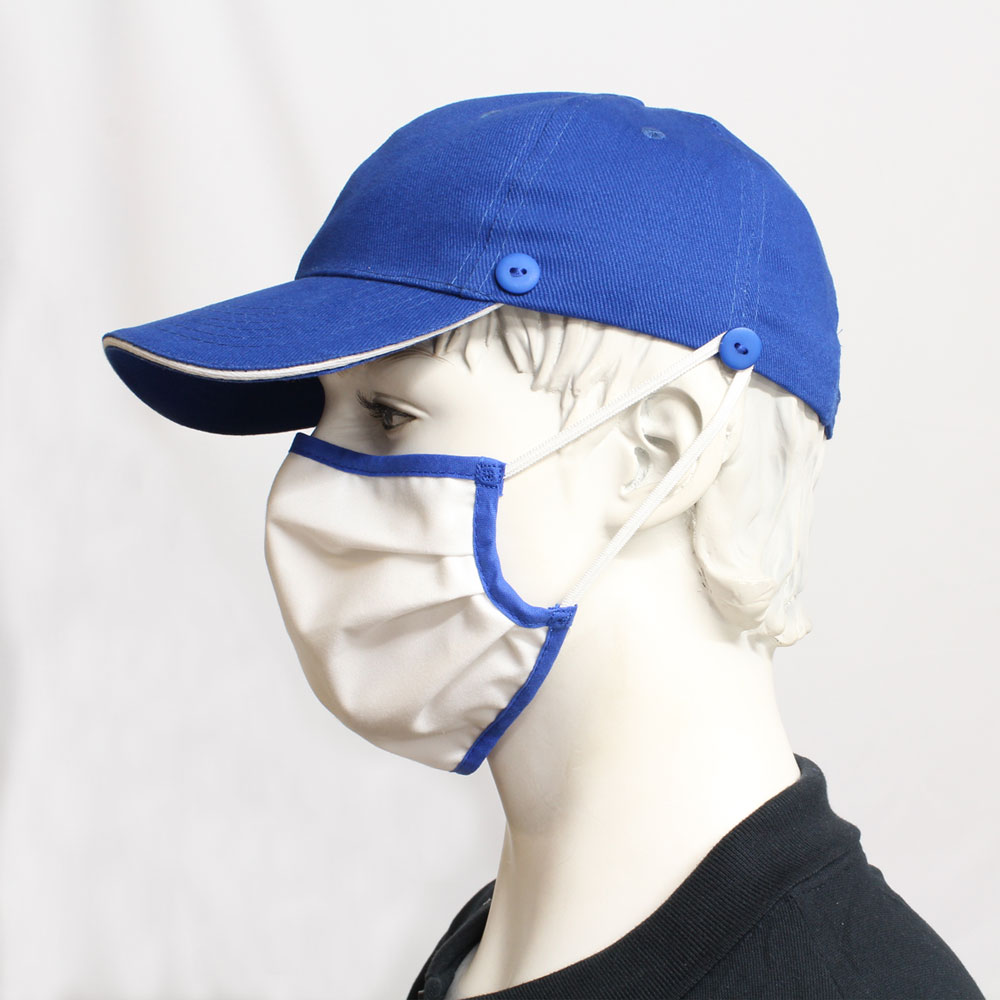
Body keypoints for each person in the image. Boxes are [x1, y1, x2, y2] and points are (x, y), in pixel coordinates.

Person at [103, 92, 985, 999]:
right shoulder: (490, 951)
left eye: (389, 415)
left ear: (660, 452)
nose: (302, 490)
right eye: (318, 414)